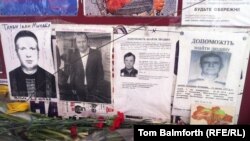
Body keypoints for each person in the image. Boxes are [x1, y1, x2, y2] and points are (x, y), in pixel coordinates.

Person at [9, 30, 56, 98]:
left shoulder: (50, 78)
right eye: (23, 49)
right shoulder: (10, 77)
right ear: (16, 52)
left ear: (38, 51)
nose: (28, 55)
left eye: (32, 48)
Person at [62, 33, 104, 101]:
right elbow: (72, 73)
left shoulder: (96, 53)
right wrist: (73, 87)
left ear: (87, 41)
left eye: (83, 41)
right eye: (79, 42)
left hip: (93, 89)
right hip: (79, 88)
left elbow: (100, 72)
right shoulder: (73, 55)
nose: (81, 45)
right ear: (76, 43)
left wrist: (98, 88)